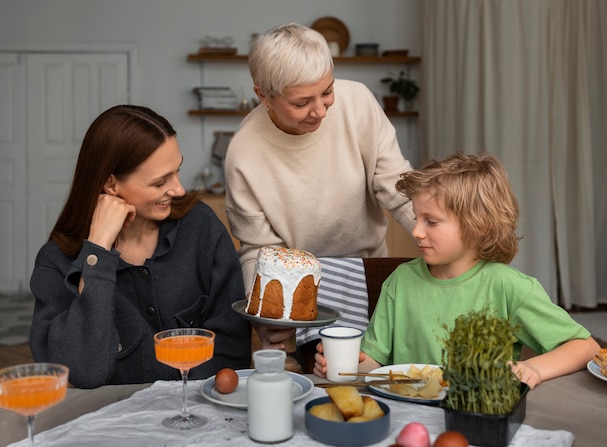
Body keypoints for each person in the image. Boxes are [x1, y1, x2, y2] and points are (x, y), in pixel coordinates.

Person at [313, 152, 600, 389]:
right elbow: (374, 360)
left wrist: (532, 368)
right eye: (416, 218)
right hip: (409, 413)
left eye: (431, 221)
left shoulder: (508, 287)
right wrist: (345, 366)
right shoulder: (400, 281)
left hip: (477, 415)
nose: (416, 231)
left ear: (478, 226)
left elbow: (585, 347)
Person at [29, 105, 251, 389]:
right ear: (111, 184)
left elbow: (231, 347)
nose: (179, 189)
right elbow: (83, 372)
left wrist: (180, 406)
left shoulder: (200, 227)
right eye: (160, 182)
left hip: (198, 414)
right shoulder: (56, 262)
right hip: (111, 423)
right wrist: (97, 253)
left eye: (177, 171)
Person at [224, 23, 415, 350]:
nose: (321, 110)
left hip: (368, 270)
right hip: (299, 292)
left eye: (327, 91)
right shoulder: (244, 153)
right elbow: (257, 249)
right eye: (301, 103)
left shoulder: (358, 103)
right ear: (263, 96)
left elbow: (398, 188)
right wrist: (264, 318)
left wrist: (444, 238)